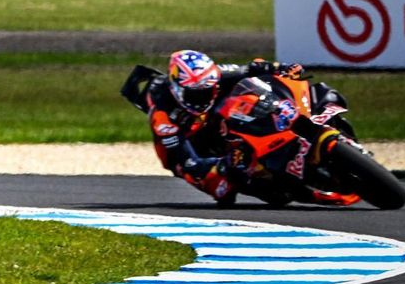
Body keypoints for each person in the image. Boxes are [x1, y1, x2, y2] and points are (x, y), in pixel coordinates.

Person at [146, 49, 349, 204]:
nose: (204, 97)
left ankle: (294, 131)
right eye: (196, 94)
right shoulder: (163, 116)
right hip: (195, 149)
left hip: (221, 124)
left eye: (209, 90)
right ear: (177, 88)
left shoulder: (214, 75)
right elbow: (187, 161)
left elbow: (253, 69)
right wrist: (221, 164)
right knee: (223, 188)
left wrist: (281, 68)